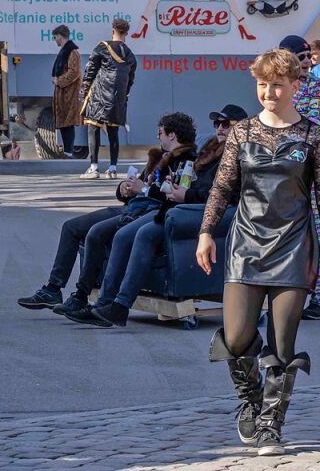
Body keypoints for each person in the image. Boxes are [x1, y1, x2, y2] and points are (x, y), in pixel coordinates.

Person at [197, 48, 320, 456]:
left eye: (277, 84)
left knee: (282, 345)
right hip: (245, 244)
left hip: (295, 247)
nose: (269, 92)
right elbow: (222, 188)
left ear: (295, 86)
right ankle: (251, 400)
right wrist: (206, 231)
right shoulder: (242, 133)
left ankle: (270, 426)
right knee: (238, 334)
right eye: (262, 84)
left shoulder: (314, 135)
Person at [71, 104, 248, 328]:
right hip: (178, 207)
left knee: (143, 233)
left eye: (226, 124)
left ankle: (120, 306)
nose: (220, 129)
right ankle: (105, 304)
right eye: (217, 124)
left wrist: (186, 194)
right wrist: (177, 188)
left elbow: (224, 195)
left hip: (197, 212)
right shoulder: (210, 151)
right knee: (122, 235)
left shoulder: (239, 156)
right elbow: (196, 183)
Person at [18, 112, 197, 315]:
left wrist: (145, 190)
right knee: (71, 227)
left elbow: (172, 196)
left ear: (172, 135)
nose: (159, 137)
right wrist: (124, 189)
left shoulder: (187, 162)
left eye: (161, 133)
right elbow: (135, 187)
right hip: (133, 206)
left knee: (97, 232)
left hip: (146, 211)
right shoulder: (158, 157)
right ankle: (53, 289)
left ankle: (82, 295)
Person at [279, 34, 320, 320]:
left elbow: (313, 123)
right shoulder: (278, 86)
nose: (306, 63)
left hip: (312, 170)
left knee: (318, 234)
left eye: (307, 57)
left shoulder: (317, 87)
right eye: (299, 58)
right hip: (281, 171)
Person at [79, 18, 136, 180]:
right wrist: (124, 96)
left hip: (99, 95)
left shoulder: (102, 47)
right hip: (117, 98)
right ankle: (112, 168)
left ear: (113, 31)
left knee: (93, 128)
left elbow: (90, 70)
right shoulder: (130, 55)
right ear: (126, 33)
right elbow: (130, 80)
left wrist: (84, 90)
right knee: (113, 132)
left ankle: (93, 167)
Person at [51, 25, 82, 157]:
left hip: (69, 93)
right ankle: (67, 151)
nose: (55, 40)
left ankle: (69, 151)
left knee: (68, 122)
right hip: (63, 93)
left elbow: (74, 72)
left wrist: (60, 81)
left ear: (60, 36)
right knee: (64, 122)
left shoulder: (72, 52)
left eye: (56, 37)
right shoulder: (65, 51)